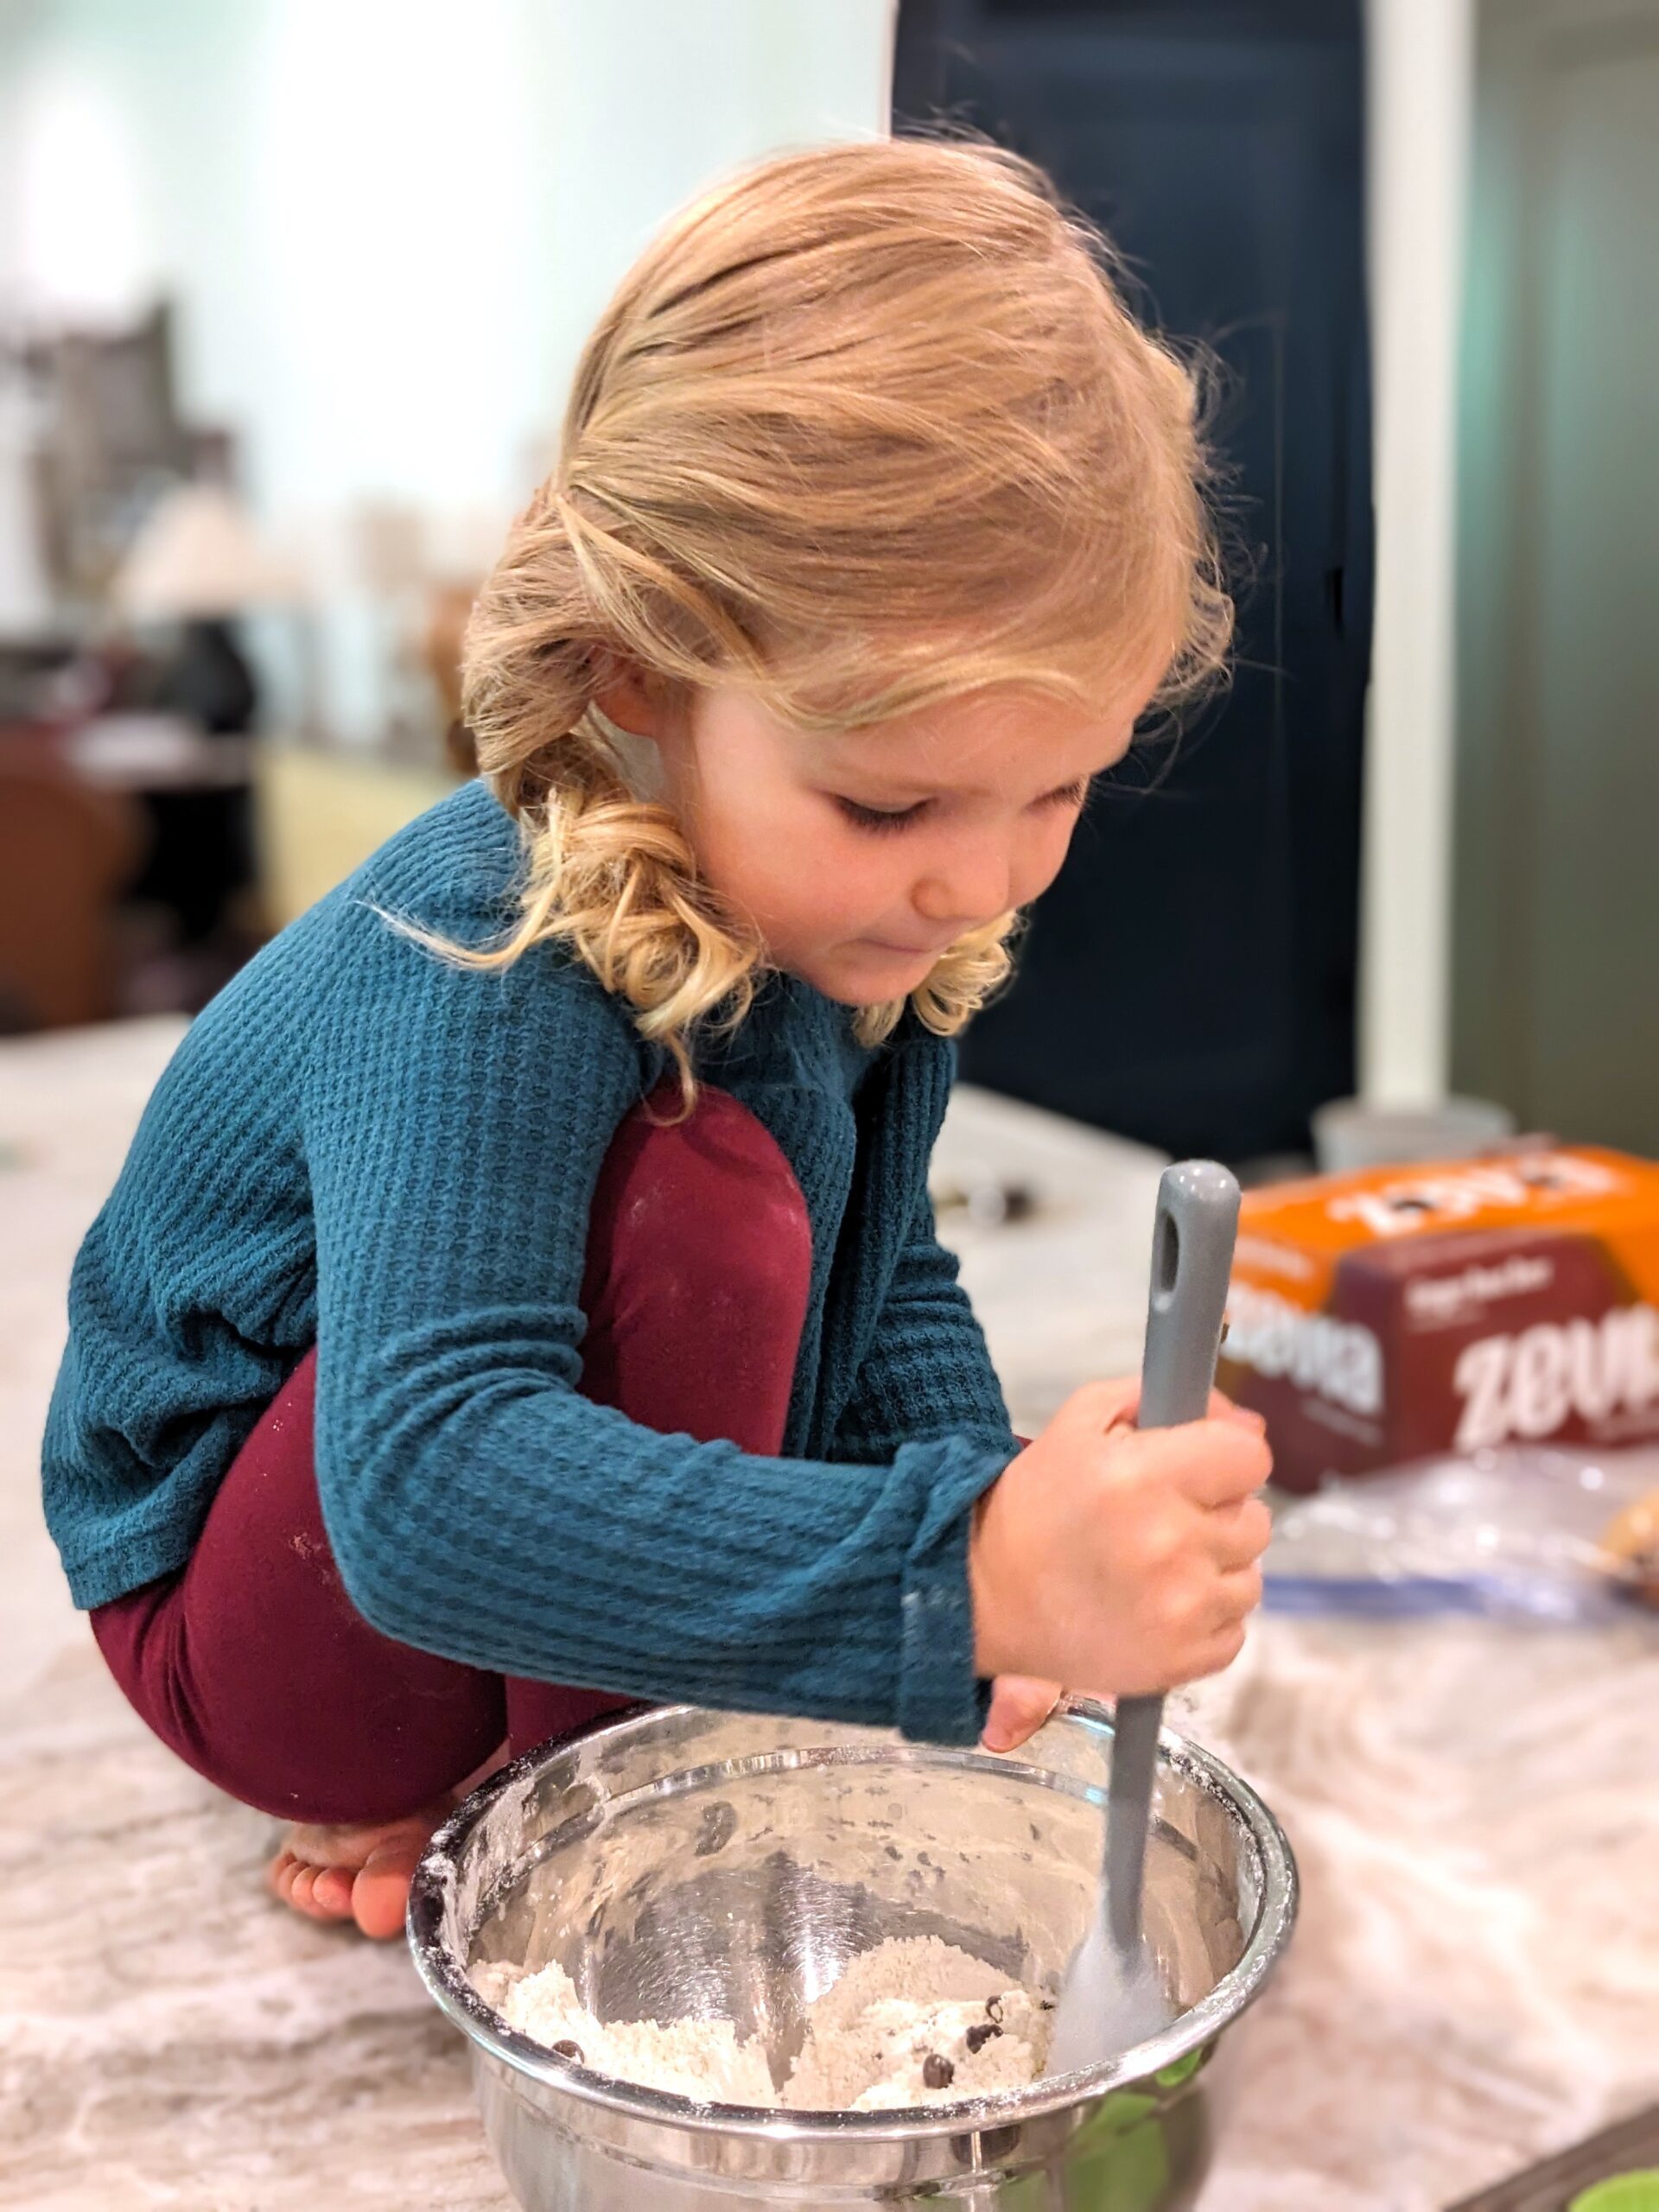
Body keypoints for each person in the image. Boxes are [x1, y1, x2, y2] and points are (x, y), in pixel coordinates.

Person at [42, 138, 1272, 1941]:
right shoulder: (487, 939)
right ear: (634, 669)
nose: (977, 876)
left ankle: (586, 1716)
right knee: (706, 1204)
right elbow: (423, 1481)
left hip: (399, 1524)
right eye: (886, 799)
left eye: (1058, 787)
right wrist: (952, 1579)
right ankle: (549, 1790)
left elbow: (890, 1262)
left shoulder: (850, 922)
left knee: (790, 1218)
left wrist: (990, 1508)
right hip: (261, 1596)